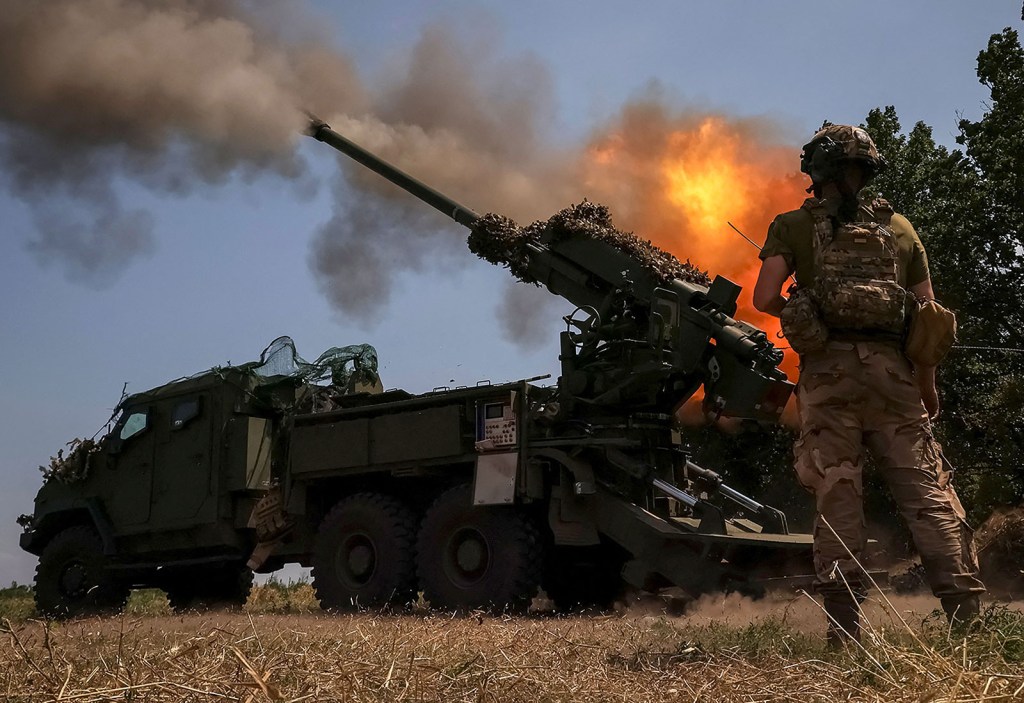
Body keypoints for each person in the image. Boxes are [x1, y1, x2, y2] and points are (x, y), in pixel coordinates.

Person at [752, 123, 985, 646]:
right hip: (895, 379)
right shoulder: (900, 229)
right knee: (926, 495)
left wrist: (802, 307)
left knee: (838, 491)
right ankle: (968, 626)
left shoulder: (791, 225)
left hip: (829, 380)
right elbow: (928, 320)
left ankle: (846, 634)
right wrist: (928, 388)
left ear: (816, 171)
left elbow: (764, 296)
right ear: (870, 168)